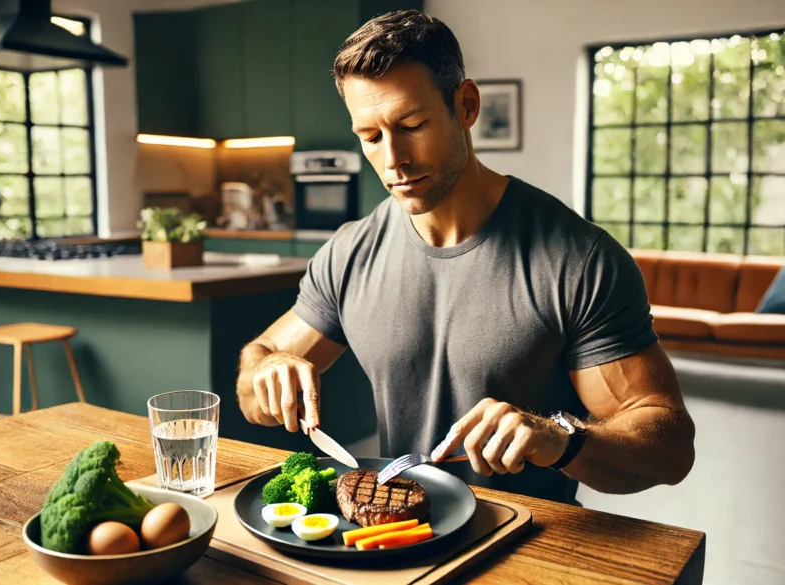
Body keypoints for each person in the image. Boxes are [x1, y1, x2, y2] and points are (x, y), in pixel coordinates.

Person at [235, 9, 695, 503]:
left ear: (467, 105)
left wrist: (558, 437)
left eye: (411, 124)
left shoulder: (578, 261)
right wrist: (266, 368)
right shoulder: (349, 252)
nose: (393, 160)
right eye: (370, 137)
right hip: (398, 535)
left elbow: (668, 447)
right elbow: (252, 379)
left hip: (530, 543)